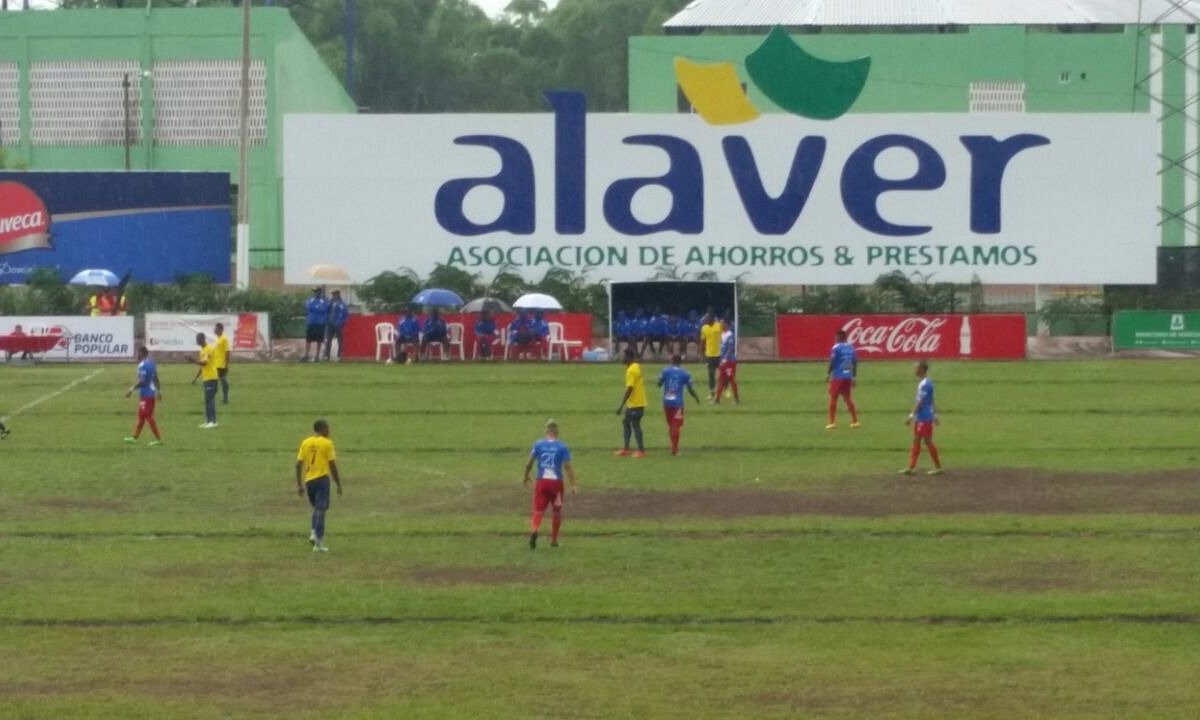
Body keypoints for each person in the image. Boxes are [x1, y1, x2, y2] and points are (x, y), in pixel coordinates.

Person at [522, 418, 577, 549]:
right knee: (557, 511)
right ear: (557, 433)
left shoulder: (538, 444)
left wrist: (525, 477)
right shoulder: (562, 447)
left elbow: (529, 463)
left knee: (538, 510)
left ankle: (535, 529)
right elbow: (568, 467)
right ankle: (553, 540)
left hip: (541, 482)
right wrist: (573, 484)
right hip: (556, 483)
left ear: (546, 432)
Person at [295, 418, 344, 552]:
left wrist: (300, 485)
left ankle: (313, 535)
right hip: (322, 479)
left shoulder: (305, 443)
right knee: (321, 509)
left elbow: (298, 464)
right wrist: (338, 483)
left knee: (317, 508)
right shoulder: (327, 443)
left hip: (309, 481)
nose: (329, 431)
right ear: (322, 429)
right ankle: (318, 539)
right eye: (327, 428)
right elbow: (332, 464)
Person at [901, 360, 944, 475]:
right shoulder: (926, 383)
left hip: (924, 418)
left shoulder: (925, 384)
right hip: (923, 417)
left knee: (926, 441)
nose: (914, 370)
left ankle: (937, 467)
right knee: (918, 440)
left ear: (922, 370)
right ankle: (911, 467)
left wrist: (911, 416)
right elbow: (932, 400)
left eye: (916, 368)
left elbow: (920, 402)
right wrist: (935, 414)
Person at [657, 353, 701, 456]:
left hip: (667, 402)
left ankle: (673, 447)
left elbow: (659, 384)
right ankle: (675, 449)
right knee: (675, 426)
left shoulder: (665, 371)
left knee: (671, 426)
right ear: (680, 362)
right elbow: (690, 389)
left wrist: (662, 381)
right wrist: (696, 397)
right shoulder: (685, 373)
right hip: (677, 404)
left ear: (672, 361)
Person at [124, 346, 163, 446]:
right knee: (141, 416)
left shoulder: (142, 366)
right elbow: (156, 379)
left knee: (148, 416)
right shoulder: (152, 363)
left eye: (138, 353)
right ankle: (135, 438)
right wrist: (159, 391)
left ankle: (158, 439)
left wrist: (131, 389)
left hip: (147, 395)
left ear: (142, 353)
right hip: (149, 394)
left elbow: (142, 381)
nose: (137, 355)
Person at [614, 347, 647, 457]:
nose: (623, 358)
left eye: (624, 356)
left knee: (635, 424)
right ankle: (627, 449)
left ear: (629, 357)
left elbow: (629, 389)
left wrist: (621, 405)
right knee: (626, 422)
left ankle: (641, 451)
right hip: (638, 401)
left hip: (635, 403)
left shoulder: (631, 371)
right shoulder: (636, 366)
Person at [826, 329, 859, 430]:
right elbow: (854, 362)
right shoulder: (851, 347)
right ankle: (855, 421)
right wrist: (853, 376)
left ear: (840, 337)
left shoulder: (836, 347)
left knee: (833, 398)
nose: (835, 338)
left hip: (838, 376)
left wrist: (828, 373)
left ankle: (832, 423)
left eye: (836, 337)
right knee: (847, 398)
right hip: (847, 376)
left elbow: (832, 361)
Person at [191, 332, 219, 429]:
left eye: (198, 339)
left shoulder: (209, 349)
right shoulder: (202, 350)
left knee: (210, 400)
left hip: (212, 377)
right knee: (207, 400)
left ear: (202, 339)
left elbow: (204, 363)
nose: (197, 341)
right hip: (206, 378)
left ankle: (213, 421)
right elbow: (201, 366)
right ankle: (208, 421)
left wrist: (193, 361)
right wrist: (196, 378)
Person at [713, 318, 740, 404]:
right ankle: (717, 399)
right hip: (723, 361)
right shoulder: (722, 334)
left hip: (729, 361)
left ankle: (736, 399)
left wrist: (725, 358)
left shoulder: (730, 335)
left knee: (731, 379)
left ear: (726, 324)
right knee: (720, 379)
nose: (720, 325)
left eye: (722, 323)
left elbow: (730, 348)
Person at [699, 313, 723, 400]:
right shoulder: (704, 328)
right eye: (705, 319)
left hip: (719, 354)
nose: (705, 320)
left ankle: (725, 391)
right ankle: (712, 392)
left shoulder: (719, 326)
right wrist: (702, 354)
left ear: (712, 319)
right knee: (711, 374)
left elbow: (724, 335)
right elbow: (702, 341)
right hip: (709, 355)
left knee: (723, 375)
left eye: (707, 319)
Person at [302, 287, 329, 362]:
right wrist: (317, 308)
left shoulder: (324, 301)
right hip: (311, 322)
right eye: (315, 292)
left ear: (320, 293)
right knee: (308, 339)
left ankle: (317, 356)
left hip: (320, 323)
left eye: (317, 292)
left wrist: (315, 308)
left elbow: (324, 309)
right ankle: (306, 355)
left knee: (319, 340)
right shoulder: (310, 300)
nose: (316, 293)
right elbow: (308, 307)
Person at [324, 289, 349, 361]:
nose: (333, 296)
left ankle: (339, 355)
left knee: (339, 340)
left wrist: (341, 323)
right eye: (332, 294)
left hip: (338, 324)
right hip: (330, 324)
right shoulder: (330, 303)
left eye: (334, 294)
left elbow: (346, 315)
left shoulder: (342, 304)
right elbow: (326, 311)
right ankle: (326, 355)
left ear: (338, 294)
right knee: (328, 340)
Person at [213, 322, 231, 405]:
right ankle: (215, 398)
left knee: (224, 382)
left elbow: (227, 352)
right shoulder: (217, 339)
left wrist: (226, 364)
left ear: (220, 329)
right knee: (214, 382)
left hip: (221, 365)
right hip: (216, 364)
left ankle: (225, 399)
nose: (214, 330)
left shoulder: (224, 339)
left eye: (216, 328)